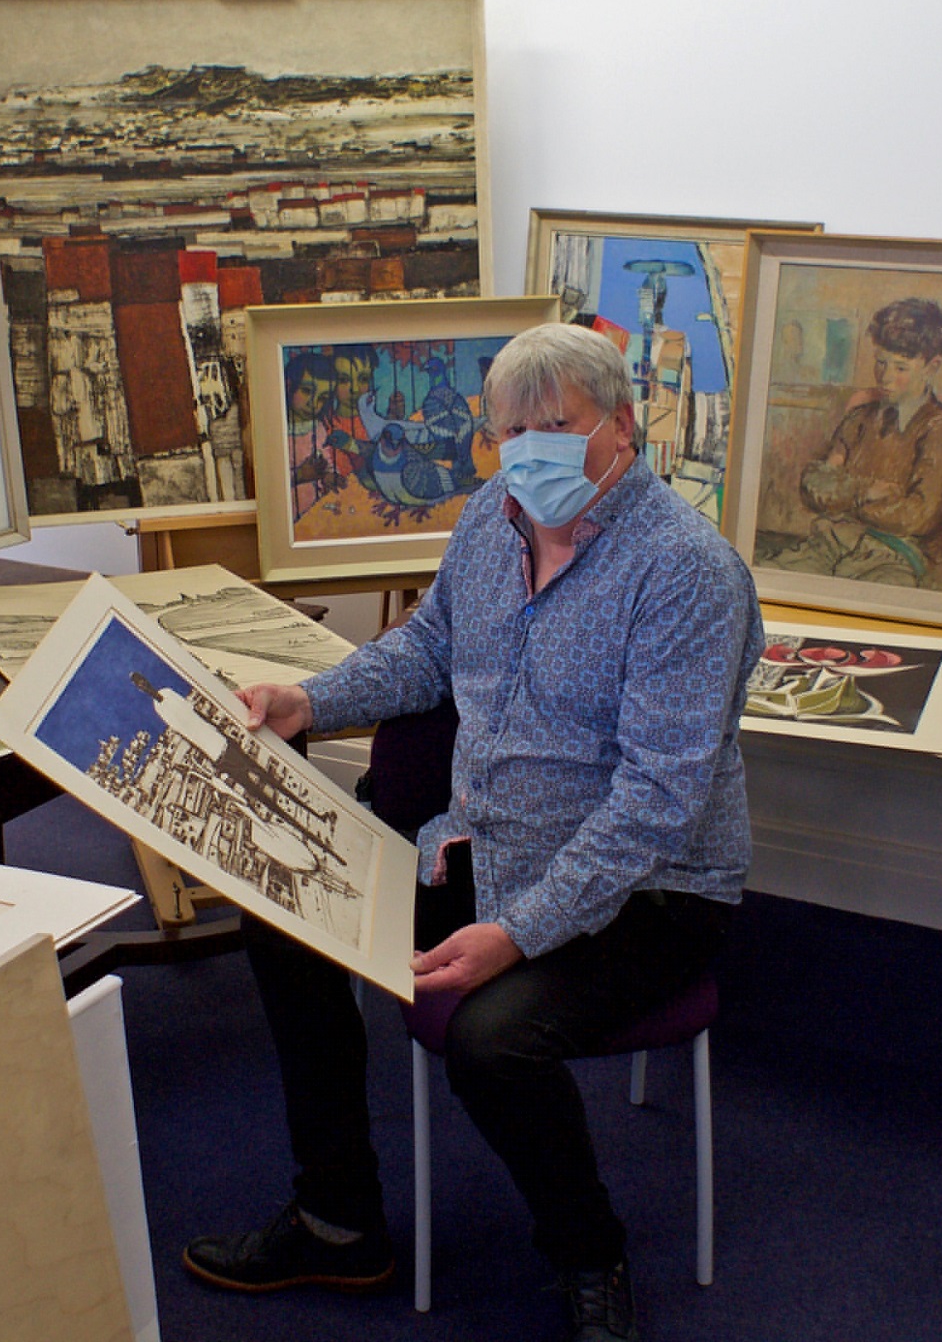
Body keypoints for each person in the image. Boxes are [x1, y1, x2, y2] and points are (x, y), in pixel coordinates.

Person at [182, 323, 762, 1342]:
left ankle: (590, 1256)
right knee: (284, 911)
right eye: (515, 431)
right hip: (482, 844)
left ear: (623, 426)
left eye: (561, 427)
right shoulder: (490, 523)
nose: (534, 449)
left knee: (492, 1044)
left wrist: (519, 933)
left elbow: (657, 801)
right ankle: (338, 1220)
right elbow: (429, 650)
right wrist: (306, 702)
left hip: (650, 891)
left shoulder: (686, 572)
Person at [768, 297, 942, 586]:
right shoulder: (859, 419)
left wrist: (845, 499)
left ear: (931, 367)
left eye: (901, 368)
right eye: (881, 363)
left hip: (894, 556)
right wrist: (866, 490)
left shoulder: (940, 431)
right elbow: (814, 486)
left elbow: (918, 517)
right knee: (771, 582)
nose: (885, 377)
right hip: (830, 542)